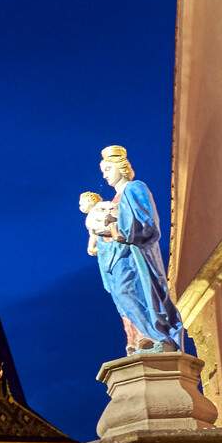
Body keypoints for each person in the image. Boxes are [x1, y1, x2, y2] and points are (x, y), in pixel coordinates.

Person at [96, 145, 187, 353]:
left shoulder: (135, 188)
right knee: (122, 296)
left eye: (108, 169)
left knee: (133, 292)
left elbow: (147, 223)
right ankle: (139, 337)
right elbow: (108, 234)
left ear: (121, 167)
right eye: (103, 171)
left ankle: (156, 336)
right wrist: (102, 234)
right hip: (119, 260)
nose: (105, 175)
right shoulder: (112, 201)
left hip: (136, 259)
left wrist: (116, 223)